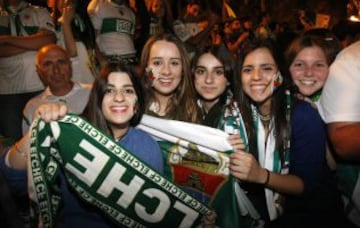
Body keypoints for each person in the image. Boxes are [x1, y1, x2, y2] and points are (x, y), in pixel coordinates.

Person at [0, 63, 164, 227]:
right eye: (109, 90)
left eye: (128, 90)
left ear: (137, 102)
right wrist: (39, 129)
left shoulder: (147, 146)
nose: (119, 97)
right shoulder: (70, 137)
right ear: (98, 99)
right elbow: (13, 177)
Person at [230, 38, 346, 227]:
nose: (256, 76)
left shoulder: (302, 114)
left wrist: (261, 175)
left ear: (280, 74)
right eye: (248, 69)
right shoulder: (236, 117)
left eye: (267, 68)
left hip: (312, 217)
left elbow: (307, 185)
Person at [0, 0, 56, 141]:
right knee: (13, 141)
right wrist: (33, 42)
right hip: (7, 90)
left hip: (39, 86)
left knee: (45, 137)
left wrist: (6, 39)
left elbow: (49, 40)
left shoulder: (39, 12)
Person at [318, 40, 360, 227]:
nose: (310, 72)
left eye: (320, 64)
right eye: (300, 64)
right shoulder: (350, 62)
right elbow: (342, 144)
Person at [22, 44, 91, 134]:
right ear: (38, 70)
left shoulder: (93, 93)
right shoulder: (32, 107)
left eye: (61, 62)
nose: (56, 70)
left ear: (70, 65)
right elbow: (29, 145)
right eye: (48, 64)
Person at [139, 33, 199, 123]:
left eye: (174, 63)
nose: (166, 71)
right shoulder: (132, 109)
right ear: (146, 68)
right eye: (157, 63)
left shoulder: (193, 112)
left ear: (183, 69)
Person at [49, 0, 96, 83]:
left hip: (90, 73)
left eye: (72, 1)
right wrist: (65, 22)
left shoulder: (83, 20)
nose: (66, 2)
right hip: (75, 77)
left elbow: (92, 45)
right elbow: (72, 52)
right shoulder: (56, 24)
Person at [87, 0, 137, 68]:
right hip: (110, 59)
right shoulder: (99, 6)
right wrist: (101, 60)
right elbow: (93, 37)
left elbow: (131, 39)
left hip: (131, 59)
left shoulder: (131, 13)